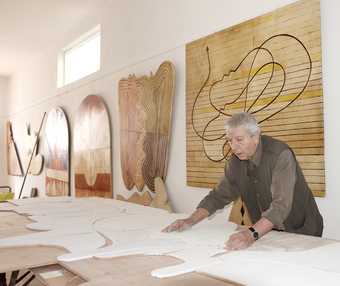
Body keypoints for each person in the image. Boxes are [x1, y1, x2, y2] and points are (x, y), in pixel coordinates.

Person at [163, 112, 323, 250]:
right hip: (267, 231)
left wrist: (251, 234)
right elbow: (218, 196)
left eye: (239, 139)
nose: (233, 146)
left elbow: (280, 206)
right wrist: (190, 220)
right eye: (230, 140)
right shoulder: (235, 162)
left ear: (256, 137)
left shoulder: (280, 155)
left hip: (303, 229)